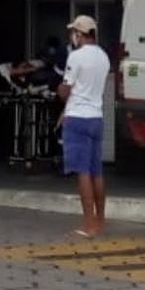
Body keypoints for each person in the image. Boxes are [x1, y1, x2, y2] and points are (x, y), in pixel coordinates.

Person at [57, 15, 110, 238]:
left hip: (77, 118)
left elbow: (65, 91)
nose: (73, 36)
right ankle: (100, 221)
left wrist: (59, 90)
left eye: (74, 32)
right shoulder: (104, 57)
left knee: (83, 173)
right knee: (97, 172)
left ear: (80, 34)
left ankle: (88, 224)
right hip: (96, 118)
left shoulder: (75, 57)